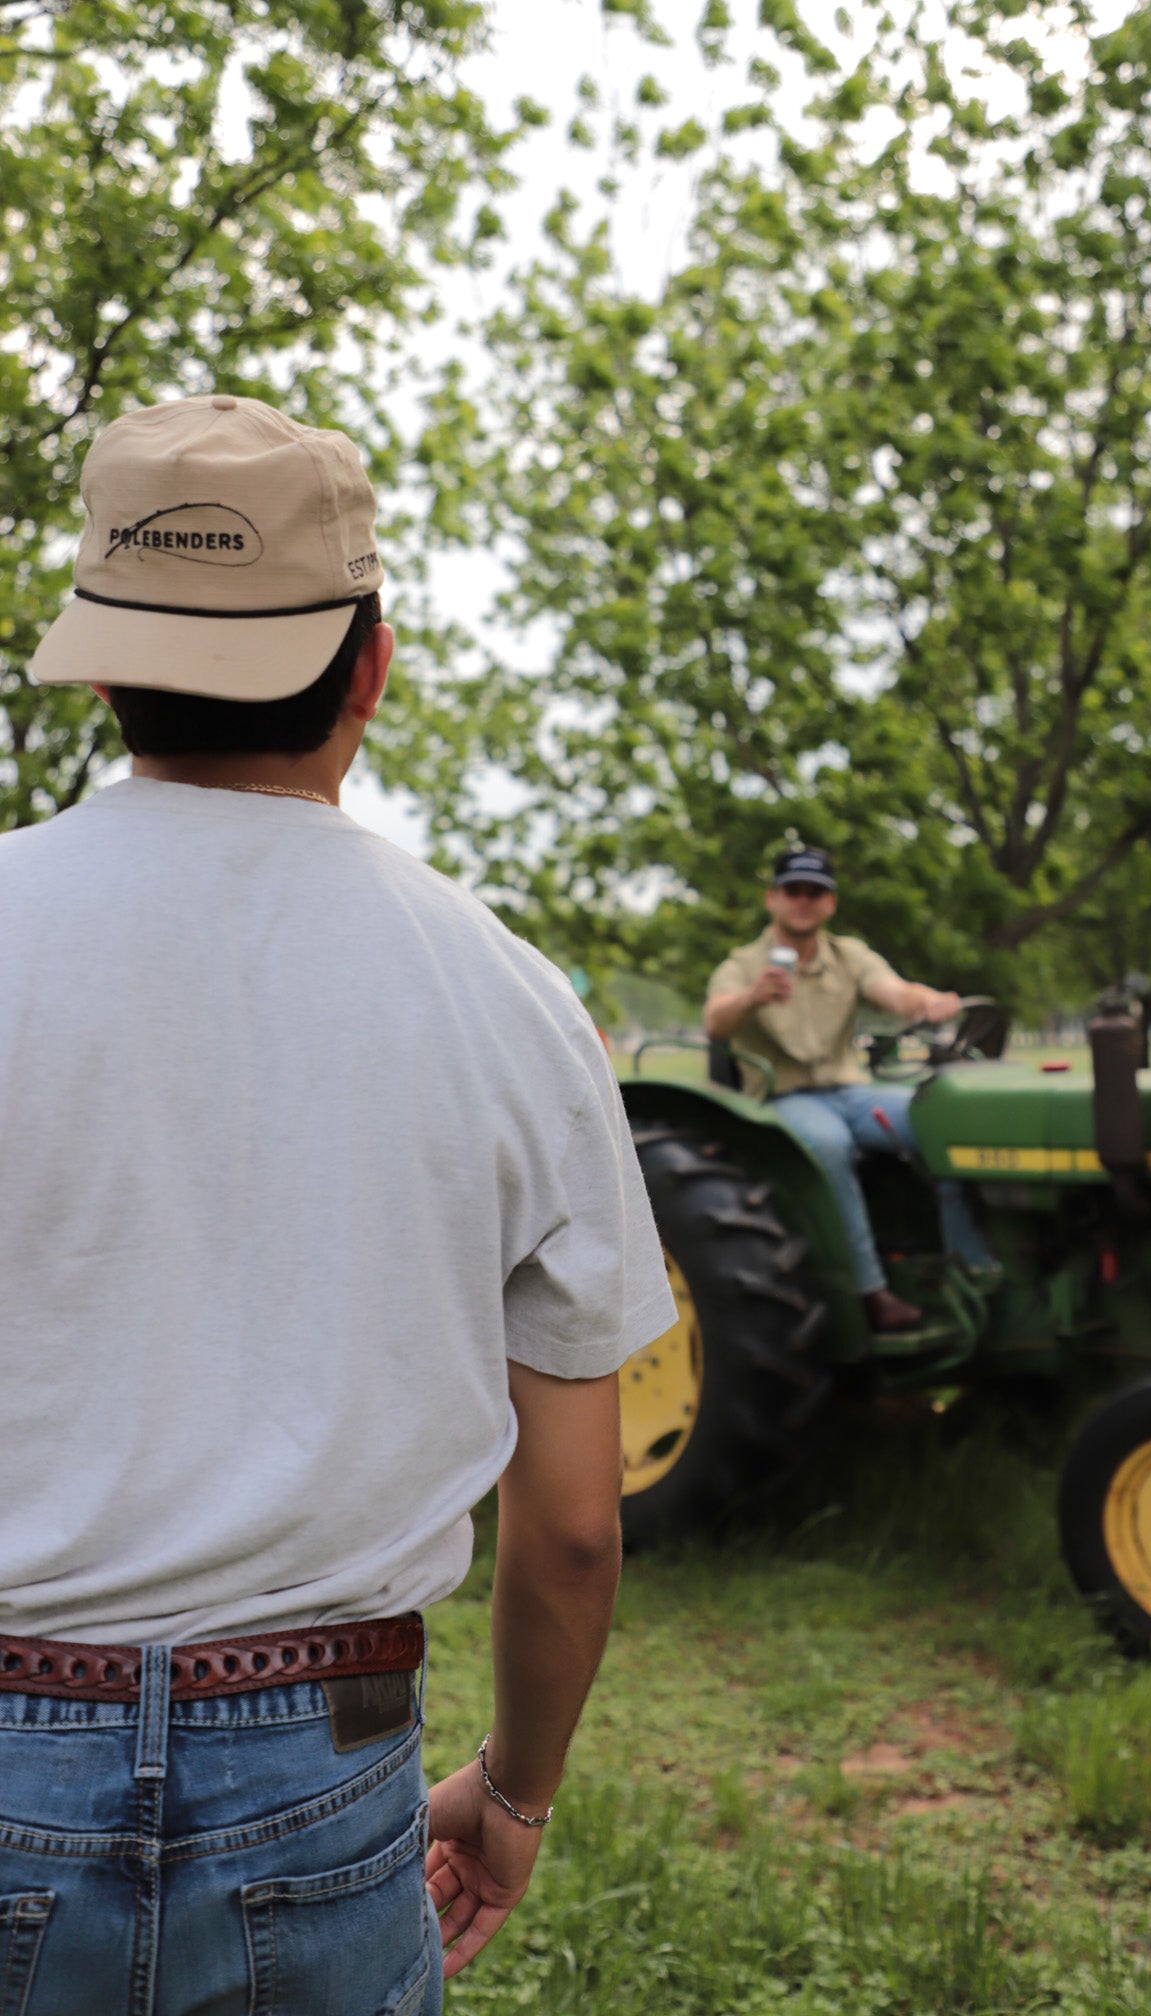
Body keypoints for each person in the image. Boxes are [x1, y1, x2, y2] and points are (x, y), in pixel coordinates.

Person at [1, 393, 675, 2011]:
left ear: (96, 666)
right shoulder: (511, 1002)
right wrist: (511, 1795)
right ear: (372, 662)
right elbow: (574, 1522)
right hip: (328, 1762)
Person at [704, 846, 999, 1332]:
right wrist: (753, 996)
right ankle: (870, 1292)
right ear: (772, 899)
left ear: (830, 903)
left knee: (942, 1121)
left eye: (815, 892)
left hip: (851, 1093)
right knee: (828, 1144)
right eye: (793, 891)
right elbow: (715, 1019)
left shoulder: (849, 955)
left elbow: (896, 992)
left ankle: (971, 1267)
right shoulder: (744, 964)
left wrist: (930, 1002)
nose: (804, 900)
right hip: (784, 1098)